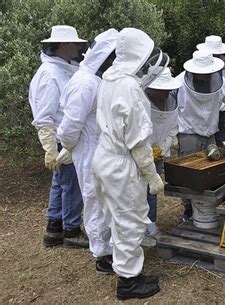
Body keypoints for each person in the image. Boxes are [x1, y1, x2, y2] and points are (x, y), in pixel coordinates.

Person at [92, 28, 169, 300]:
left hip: (103, 157)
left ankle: (121, 265)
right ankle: (128, 282)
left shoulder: (108, 78)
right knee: (129, 220)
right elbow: (137, 141)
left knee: (114, 215)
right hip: (121, 163)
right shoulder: (130, 87)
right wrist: (152, 176)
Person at [57, 29, 118, 274]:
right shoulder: (84, 83)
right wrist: (68, 147)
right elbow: (70, 126)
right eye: (112, 57)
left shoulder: (94, 79)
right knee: (94, 200)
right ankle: (103, 255)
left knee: (107, 201)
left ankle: (113, 250)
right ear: (104, 55)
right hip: (89, 151)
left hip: (100, 149)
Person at [28, 25, 88, 248]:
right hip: (63, 138)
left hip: (64, 136)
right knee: (72, 184)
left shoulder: (62, 68)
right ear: (64, 45)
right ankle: (71, 231)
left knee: (60, 182)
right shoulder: (50, 74)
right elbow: (44, 115)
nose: (78, 48)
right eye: (75, 44)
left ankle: (54, 229)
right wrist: (50, 149)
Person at [176, 50, 225, 223]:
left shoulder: (217, 80)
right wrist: (172, 135)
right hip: (188, 135)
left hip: (210, 133)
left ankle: (207, 208)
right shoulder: (180, 83)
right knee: (188, 175)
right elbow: (172, 110)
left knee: (210, 173)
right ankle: (188, 210)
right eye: (201, 74)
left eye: (207, 74)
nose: (204, 77)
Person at [141, 67, 182, 247]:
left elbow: (173, 129)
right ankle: (138, 230)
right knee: (137, 192)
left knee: (152, 191)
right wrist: (146, 150)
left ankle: (151, 225)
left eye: (168, 89)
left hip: (157, 155)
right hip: (138, 156)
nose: (166, 93)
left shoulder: (171, 105)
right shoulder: (141, 104)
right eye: (162, 89)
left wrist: (162, 148)